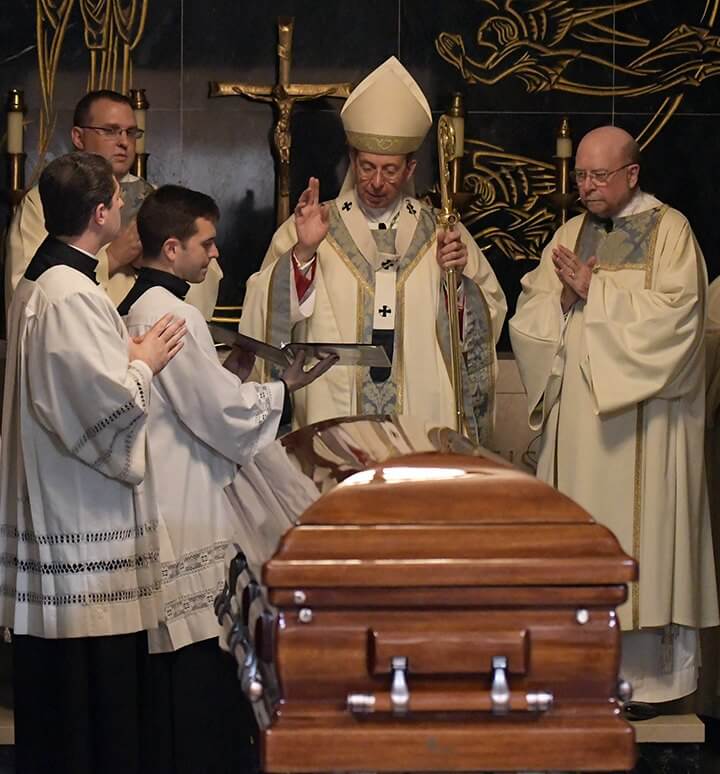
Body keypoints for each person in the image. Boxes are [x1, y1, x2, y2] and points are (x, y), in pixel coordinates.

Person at [119, 184, 335, 772]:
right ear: (172, 248)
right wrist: (283, 387)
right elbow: (220, 416)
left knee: (176, 671)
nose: (215, 255)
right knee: (200, 669)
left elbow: (189, 396)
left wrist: (229, 372)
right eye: (206, 244)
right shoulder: (174, 312)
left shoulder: (139, 303)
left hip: (165, 491)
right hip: (187, 501)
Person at [509, 125, 719, 704]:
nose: (586, 188)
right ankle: (578, 678)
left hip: (646, 427)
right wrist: (562, 299)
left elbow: (680, 318)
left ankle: (646, 686)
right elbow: (530, 318)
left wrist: (595, 292)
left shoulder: (671, 231)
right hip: (580, 432)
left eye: (599, 176)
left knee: (643, 547)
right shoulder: (570, 232)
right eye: (580, 175)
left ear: (632, 173)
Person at [0, 151, 186, 773]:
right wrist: (144, 365)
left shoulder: (44, 281)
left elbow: (72, 381)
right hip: (82, 525)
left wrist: (122, 356)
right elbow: (98, 412)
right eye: (118, 199)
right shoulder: (69, 294)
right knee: (89, 709)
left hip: (64, 513)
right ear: (101, 213)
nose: (125, 207)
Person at [240, 56, 506, 445]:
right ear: (352, 160)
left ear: (410, 169)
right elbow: (264, 312)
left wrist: (458, 284)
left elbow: (488, 315)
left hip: (421, 418)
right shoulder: (313, 226)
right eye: (367, 167)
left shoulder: (443, 233)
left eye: (390, 170)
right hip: (333, 416)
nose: (377, 182)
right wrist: (303, 255)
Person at [5, 89, 222, 319]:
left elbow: (207, 268)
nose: (124, 142)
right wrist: (113, 258)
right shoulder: (46, 200)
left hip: (157, 329)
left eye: (131, 132)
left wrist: (163, 264)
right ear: (78, 137)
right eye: (110, 131)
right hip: (87, 330)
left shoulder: (162, 201)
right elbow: (31, 297)